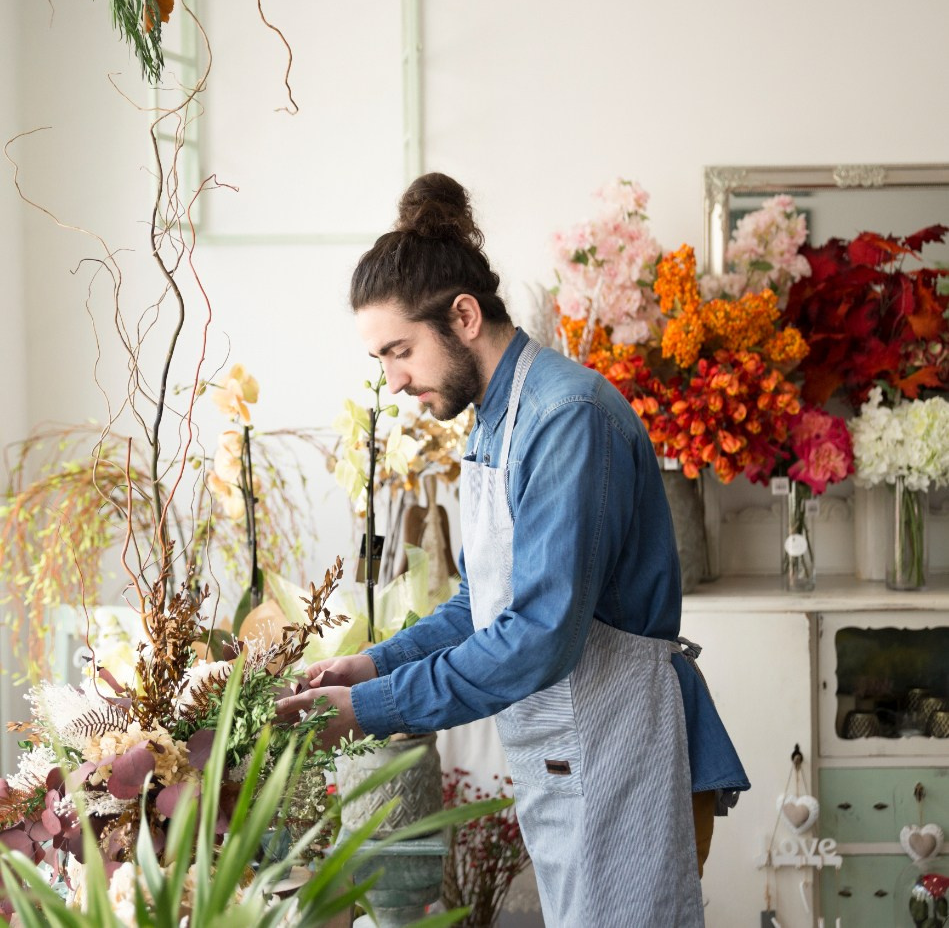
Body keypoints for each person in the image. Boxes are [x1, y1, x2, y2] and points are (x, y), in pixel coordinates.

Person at [277, 172, 749, 927]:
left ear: (462, 315)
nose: (393, 381)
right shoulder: (494, 419)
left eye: (399, 351)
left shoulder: (566, 417)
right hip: (570, 757)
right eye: (382, 361)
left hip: (616, 749)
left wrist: (365, 708)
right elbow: (480, 603)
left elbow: (537, 636)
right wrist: (372, 664)